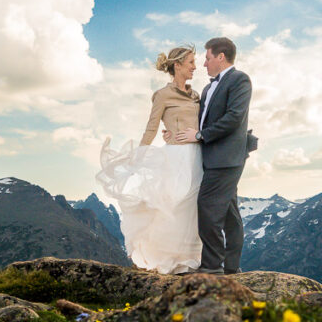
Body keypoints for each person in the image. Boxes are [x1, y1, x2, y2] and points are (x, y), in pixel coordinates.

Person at [96, 44, 203, 274]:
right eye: (191, 62)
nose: (195, 67)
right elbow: (151, 127)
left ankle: (189, 258)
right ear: (178, 65)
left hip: (197, 156)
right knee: (173, 204)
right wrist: (140, 156)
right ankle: (167, 257)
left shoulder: (196, 95)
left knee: (192, 207)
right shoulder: (162, 95)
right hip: (176, 156)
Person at [166, 37, 254, 274]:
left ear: (220, 57)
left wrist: (200, 135)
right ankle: (231, 268)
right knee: (230, 214)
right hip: (211, 157)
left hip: (226, 158)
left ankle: (212, 266)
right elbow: (199, 120)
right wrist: (174, 131)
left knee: (207, 207)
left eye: (207, 58)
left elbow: (234, 117)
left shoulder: (240, 79)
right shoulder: (207, 88)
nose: (204, 64)